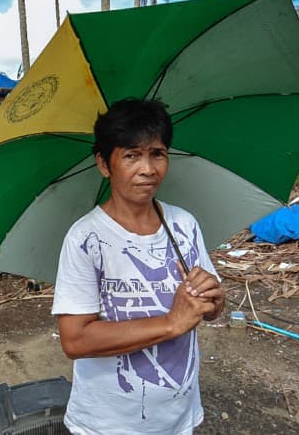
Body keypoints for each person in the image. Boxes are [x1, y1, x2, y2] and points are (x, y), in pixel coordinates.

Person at [51, 98, 225, 435]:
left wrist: (215, 299)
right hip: (109, 423)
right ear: (104, 164)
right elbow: (75, 341)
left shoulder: (184, 225)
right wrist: (170, 323)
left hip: (178, 416)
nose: (148, 169)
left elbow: (210, 310)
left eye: (157, 153)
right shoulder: (86, 238)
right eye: (131, 155)